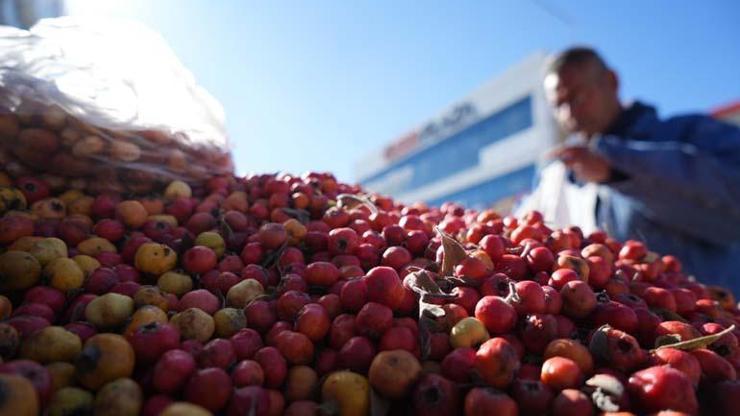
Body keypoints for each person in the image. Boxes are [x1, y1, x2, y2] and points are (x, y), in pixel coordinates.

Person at [542, 46, 740, 294]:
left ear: (611, 82)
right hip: (636, 324)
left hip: (720, 321)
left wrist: (616, 168)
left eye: (578, 97)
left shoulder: (689, 132)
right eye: (558, 105)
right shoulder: (573, 175)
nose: (569, 114)